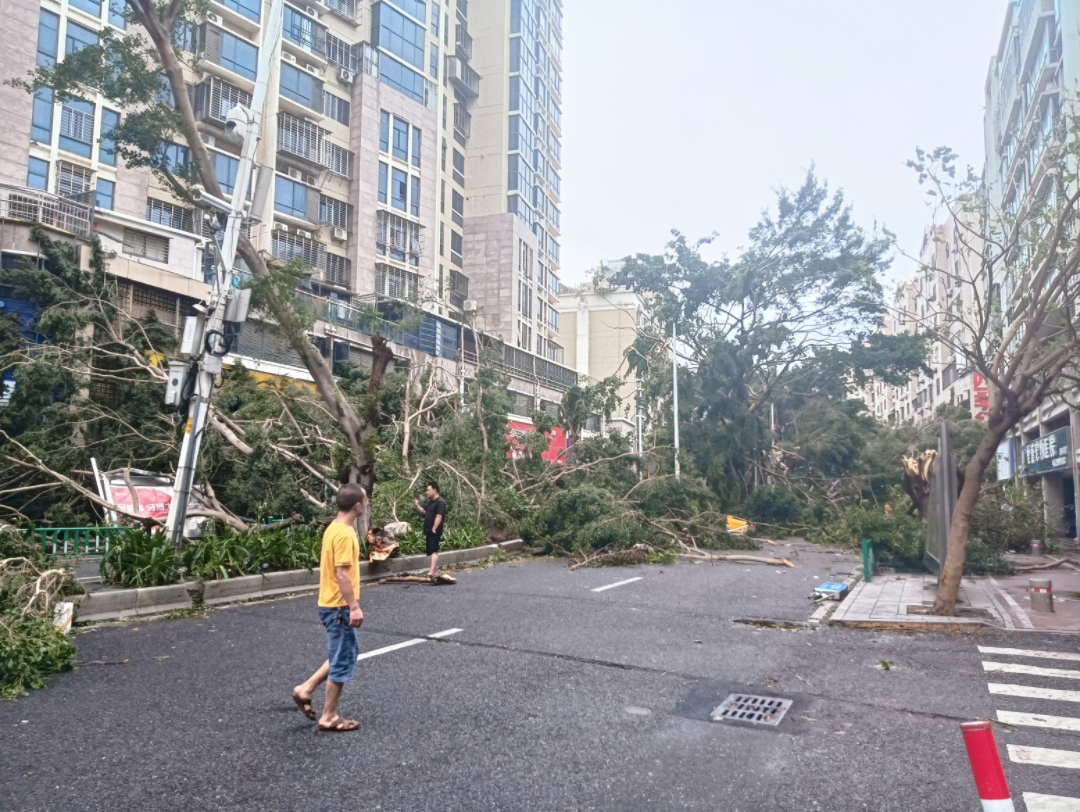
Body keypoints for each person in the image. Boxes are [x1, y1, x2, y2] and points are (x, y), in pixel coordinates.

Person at [292, 483, 366, 732]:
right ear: (358, 505)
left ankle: (306, 689)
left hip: (331, 604)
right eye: (364, 501)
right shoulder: (344, 534)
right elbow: (342, 574)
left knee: (345, 652)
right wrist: (354, 607)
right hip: (339, 607)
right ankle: (329, 716)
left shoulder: (334, 528)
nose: (365, 504)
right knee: (343, 658)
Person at [413, 481, 446, 580]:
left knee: (433, 551)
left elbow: (439, 516)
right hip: (429, 530)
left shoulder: (440, 502)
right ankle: (434, 571)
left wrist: (434, 528)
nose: (427, 492)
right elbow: (424, 512)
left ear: (435, 490)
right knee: (432, 550)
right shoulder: (431, 502)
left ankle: (431, 572)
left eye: (428, 490)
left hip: (434, 531)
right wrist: (417, 505)